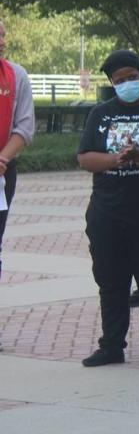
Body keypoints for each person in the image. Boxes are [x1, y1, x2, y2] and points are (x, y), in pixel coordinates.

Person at [77, 50, 139, 369]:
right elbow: (84, 158)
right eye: (120, 81)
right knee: (111, 282)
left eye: (132, 78)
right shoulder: (101, 113)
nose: (127, 84)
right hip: (108, 213)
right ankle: (111, 345)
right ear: (112, 83)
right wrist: (115, 159)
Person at [0, 20, 35, 352]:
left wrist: (3, 160)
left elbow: (24, 127)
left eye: (1, 35)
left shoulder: (16, 76)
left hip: (1, 172)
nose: (0, 41)